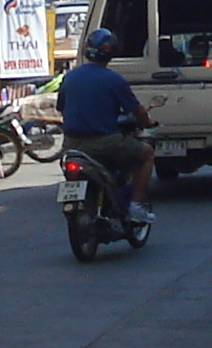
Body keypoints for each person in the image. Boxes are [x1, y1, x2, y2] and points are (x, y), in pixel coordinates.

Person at [56, 26, 157, 223]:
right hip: (105, 143)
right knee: (146, 153)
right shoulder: (114, 80)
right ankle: (135, 206)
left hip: (71, 145)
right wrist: (148, 123)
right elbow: (138, 111)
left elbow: (61, 107)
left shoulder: (70, 76)